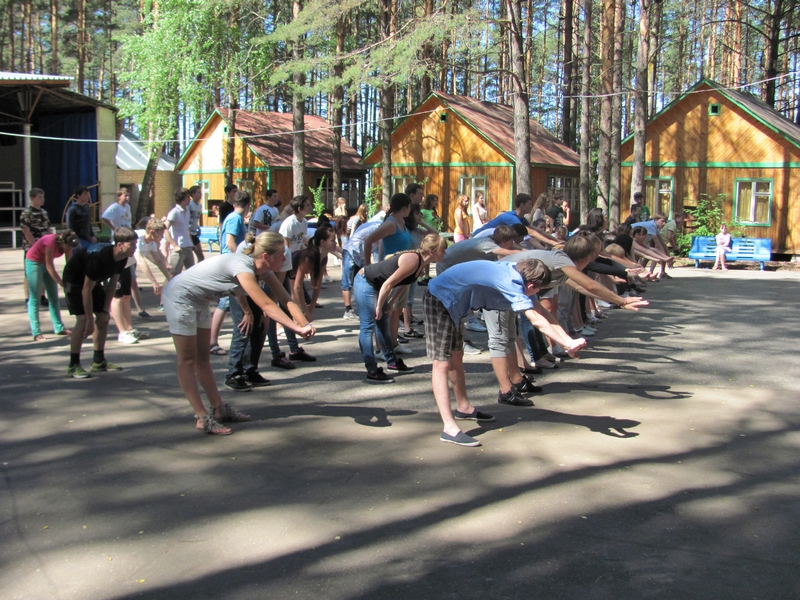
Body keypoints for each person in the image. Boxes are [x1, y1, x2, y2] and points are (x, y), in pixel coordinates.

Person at [162, 231, 316, 434]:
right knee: (188, 360)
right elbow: (267, 305)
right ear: (265, 256)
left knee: (203, 359)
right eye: (281, 255)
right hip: (180, 298)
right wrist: (296, 328)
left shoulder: (264, 271)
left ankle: (219, 409)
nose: (284, 259)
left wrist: (305, 324)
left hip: (199, 301)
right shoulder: (242, 266)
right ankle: (201, 417)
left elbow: (286, 299)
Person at [423, 259, 586, 447]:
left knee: (456, 357)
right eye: (538, 290)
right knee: (442, 364)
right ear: (530, 285)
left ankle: (464, 408)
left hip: (455, 306)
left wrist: (568, 341)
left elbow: (543, 313)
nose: (537, 294)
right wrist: (566, 345)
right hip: (439, 299)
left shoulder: (523, 275)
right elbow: (535, 320)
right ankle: (449, 429)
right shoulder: (509, 282)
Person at [355, 234, 447, 383]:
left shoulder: (420, 264)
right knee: (368, 326)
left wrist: (392, 301)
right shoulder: (413, 260)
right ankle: (372, 371)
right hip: (365, 281)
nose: (445, 253)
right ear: (432, 251)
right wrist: (379, 306)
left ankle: (392, 362)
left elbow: (404, 282)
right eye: (443, 250)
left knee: (382, 323)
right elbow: (388, 284)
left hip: (377, 285)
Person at [63, 227, 138, 378]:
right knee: (83, 320)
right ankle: (73, 364)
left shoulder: (123, 258)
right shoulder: (99, 258)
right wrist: (90, 321)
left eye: (135, 244)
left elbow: (112, 284)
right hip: (74, 281)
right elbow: (86, 290)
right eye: (131, 244)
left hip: (93, 282)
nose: (135, 248)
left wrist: (105, 309)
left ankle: (98, 361)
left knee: (104, 318)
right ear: (119, 245)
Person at [209, 191, 252, 355]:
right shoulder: (235, 218)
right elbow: (229, 242)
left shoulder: (234, 217)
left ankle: (215, 341)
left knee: (226, 303)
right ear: (248, 205)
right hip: (230, 265)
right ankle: (212, 342)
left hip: (230, 263)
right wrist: (239, 260)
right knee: (225, 303)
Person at [25, 230, 79, 340]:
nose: (69, 250)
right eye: (68, 247)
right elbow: (49, 267)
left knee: (53, 297)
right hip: (34, 262)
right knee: (35, 298)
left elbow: (69, 265)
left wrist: (71, 281)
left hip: (46, 264)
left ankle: (59, 327)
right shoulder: (50, 242)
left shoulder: (68, 244)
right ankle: (36, 332)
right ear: (63, 242)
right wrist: (61, 283)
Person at [474, 193, 559, 248]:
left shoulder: (521, 219)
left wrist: (557, 241)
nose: (531, 206)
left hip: (489, 240)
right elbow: (531, 233)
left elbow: (538, 231)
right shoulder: (512, 218)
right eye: (529, 204)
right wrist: (552, 243)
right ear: (522, 205)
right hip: (478, 238)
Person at [290, 226, 338, 322]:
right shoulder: (308, 257)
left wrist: (311, 309)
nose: (335, 243)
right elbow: (297, 287)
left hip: (292, 274)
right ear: (322, 242)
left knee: (300, 315)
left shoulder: (324, 258)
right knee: (289, 300)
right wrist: (305, 311)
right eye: (332, 240)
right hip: (285, 269)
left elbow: (317, 285)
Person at [20, 188, 51, 306]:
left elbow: (48, 229)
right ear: (32, 198)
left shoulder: (44, 213)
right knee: (29, 273)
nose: (42, 199)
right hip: (31, 248)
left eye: (43, 197)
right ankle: (28, 297)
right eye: (39, 197)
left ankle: (42, 296)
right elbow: (26, 231)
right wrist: (35, 245)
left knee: (43, 272)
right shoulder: (26, 213)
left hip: (44, 247)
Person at [165, 188, 196, 277]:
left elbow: (187, 228)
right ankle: (167, 287)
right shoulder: (174, 212)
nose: (189, 199)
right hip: (179, 249)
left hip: (188, 246)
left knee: (192, 274)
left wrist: (191, 243)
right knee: (173, 275)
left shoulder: (187, 211)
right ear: (181, 198)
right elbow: (165, 229)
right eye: (187, 197)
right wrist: (174, 245)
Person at [187, 185, 205, 262]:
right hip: (188, 234)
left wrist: (198, 227)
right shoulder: (189, 205)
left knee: (201, 257)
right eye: (198, 192)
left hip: (194, 233)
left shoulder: (200, 206)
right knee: (188, 258)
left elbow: (195, 219)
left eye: (201, 192)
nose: (200, 194)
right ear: (193, 194)